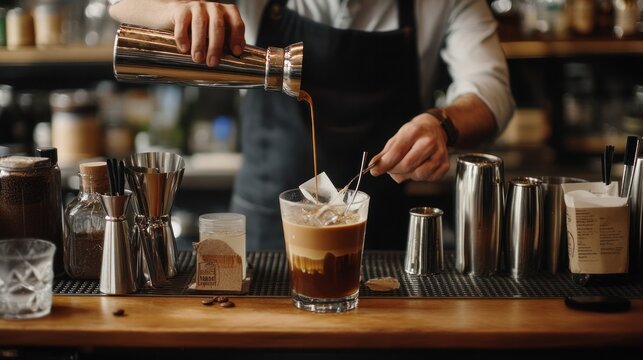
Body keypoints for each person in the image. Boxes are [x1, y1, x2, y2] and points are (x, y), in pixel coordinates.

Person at [109, 0, 515, 250]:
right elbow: (122, 3)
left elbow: (492, 93)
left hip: (380, 244)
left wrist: (441, 124)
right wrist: (178, 8)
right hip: (260, 236)